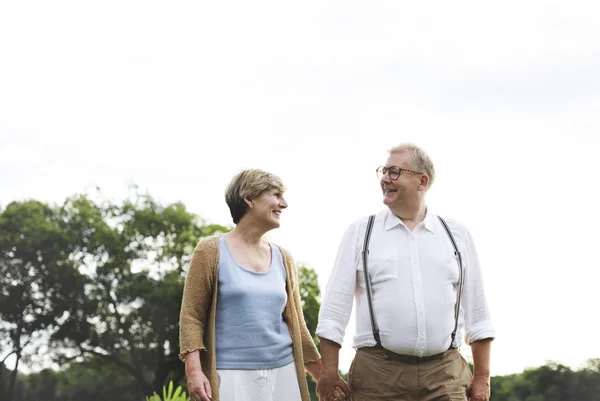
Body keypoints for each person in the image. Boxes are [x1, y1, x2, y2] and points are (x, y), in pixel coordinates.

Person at [316, 143, 496, 401]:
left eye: (394, 172)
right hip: (377, 375)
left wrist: (481, 376)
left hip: (446, 375)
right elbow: (334, 310)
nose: (384, 179)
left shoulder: (457, 235)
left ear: (422, 181)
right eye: (383, 171)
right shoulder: (360, 233)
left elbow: (478, 313)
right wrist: (329, 372)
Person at [179, 169, 326, 401]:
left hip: (284, 372)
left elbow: (297, 325)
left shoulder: (283, 258)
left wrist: (325, 378)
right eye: (276, 195)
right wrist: (194, 371)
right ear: (249, 198)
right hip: (230, 375)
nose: (284, 204)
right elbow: (191, 316)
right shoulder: (210, 251)